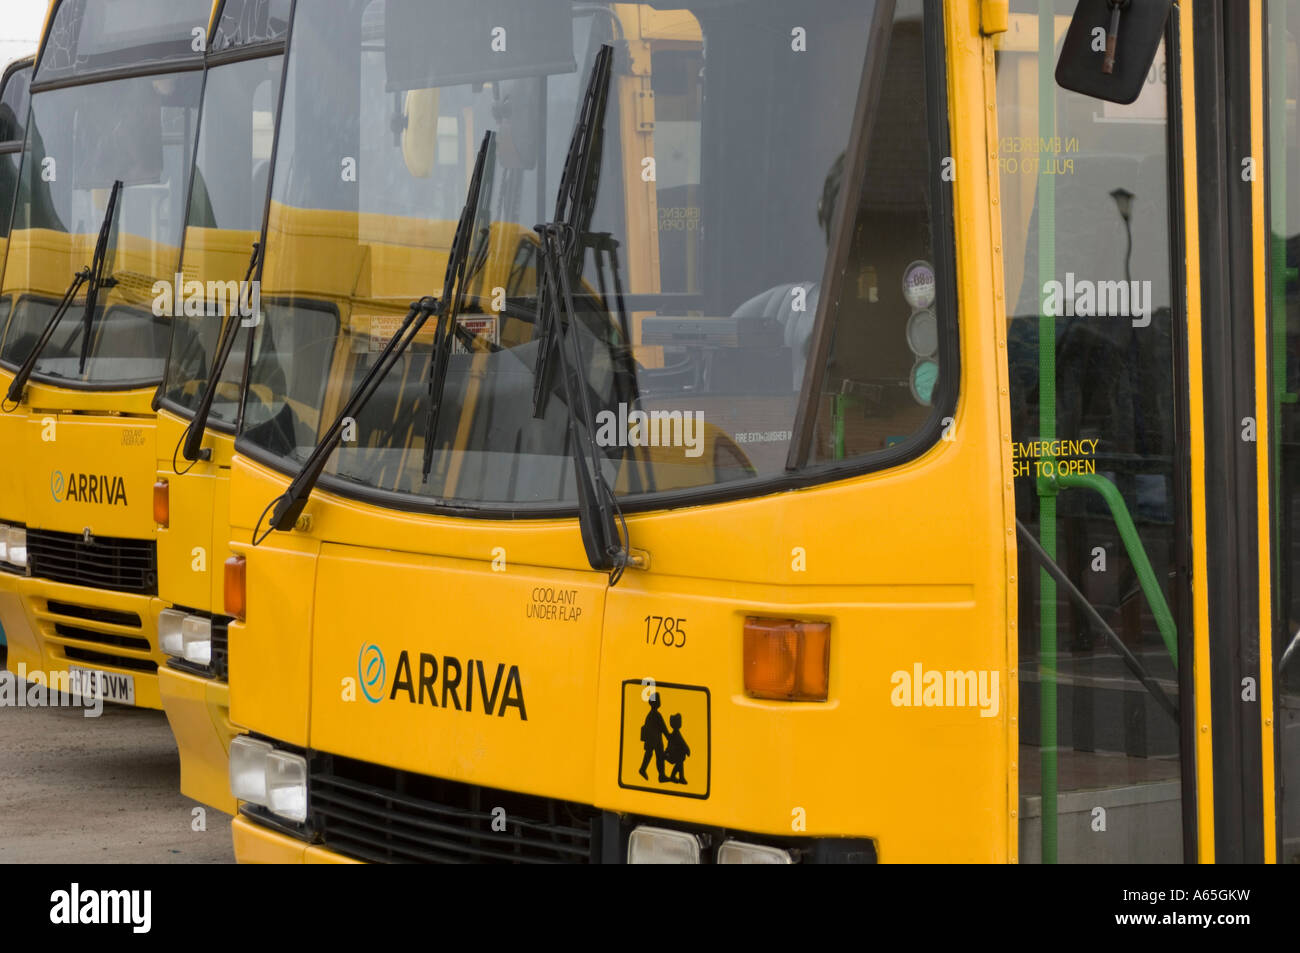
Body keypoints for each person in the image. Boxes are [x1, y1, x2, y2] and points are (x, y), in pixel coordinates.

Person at [638, 694, 669, 782]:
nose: (660, 701)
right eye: (658, 700)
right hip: (656, 740)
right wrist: (668, 736)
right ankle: (661, 775)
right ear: (656, 702)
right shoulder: (656, 715)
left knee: (650, 754)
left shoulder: (650, 715)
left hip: (652, 739)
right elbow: (663, 727)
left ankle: (643, 769)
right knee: (659, 756)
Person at [664, 712, 690, 784]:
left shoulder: (675, 733)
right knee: (679, 762)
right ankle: (675, 776)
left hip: (674, 754)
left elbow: (681, 743)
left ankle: (680, 777)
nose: (680, 723)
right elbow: (682, 743)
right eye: (679, 722)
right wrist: (687, 750)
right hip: (673, 755)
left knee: (680, 762)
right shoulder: (676, 734)